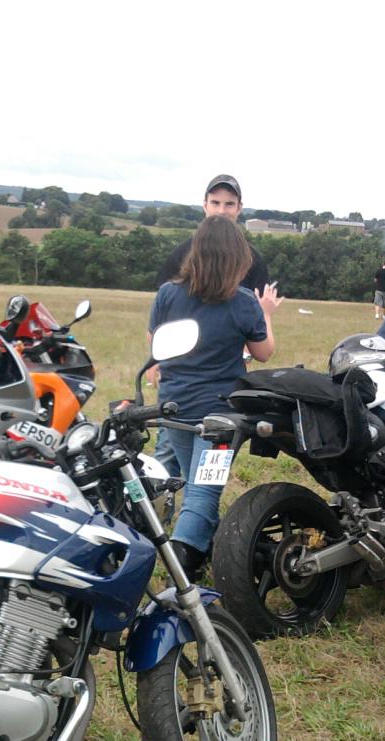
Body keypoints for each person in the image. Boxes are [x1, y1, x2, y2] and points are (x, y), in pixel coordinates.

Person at [149, 215, 281, 580]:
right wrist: (266, 314)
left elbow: (156, 347)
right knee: (203, 493)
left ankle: (218, 550)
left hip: (174, 408)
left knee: (197, 485)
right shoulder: (242, 302)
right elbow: (264, 352)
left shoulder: (167, 294)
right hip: (220, 417)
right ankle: (181, 568)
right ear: (237, 258)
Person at [151, 174, 271, 477]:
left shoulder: (252, 260)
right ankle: (156, 513)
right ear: (204, 205)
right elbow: (162, 315)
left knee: (200, 484)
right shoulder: (181, 254)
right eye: (215, 203)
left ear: (240, 208)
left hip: (219, 376)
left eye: (229, 204)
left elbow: (254, 326)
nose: (221, 210)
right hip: (184, 377)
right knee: (171, 458)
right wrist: (156, 361)